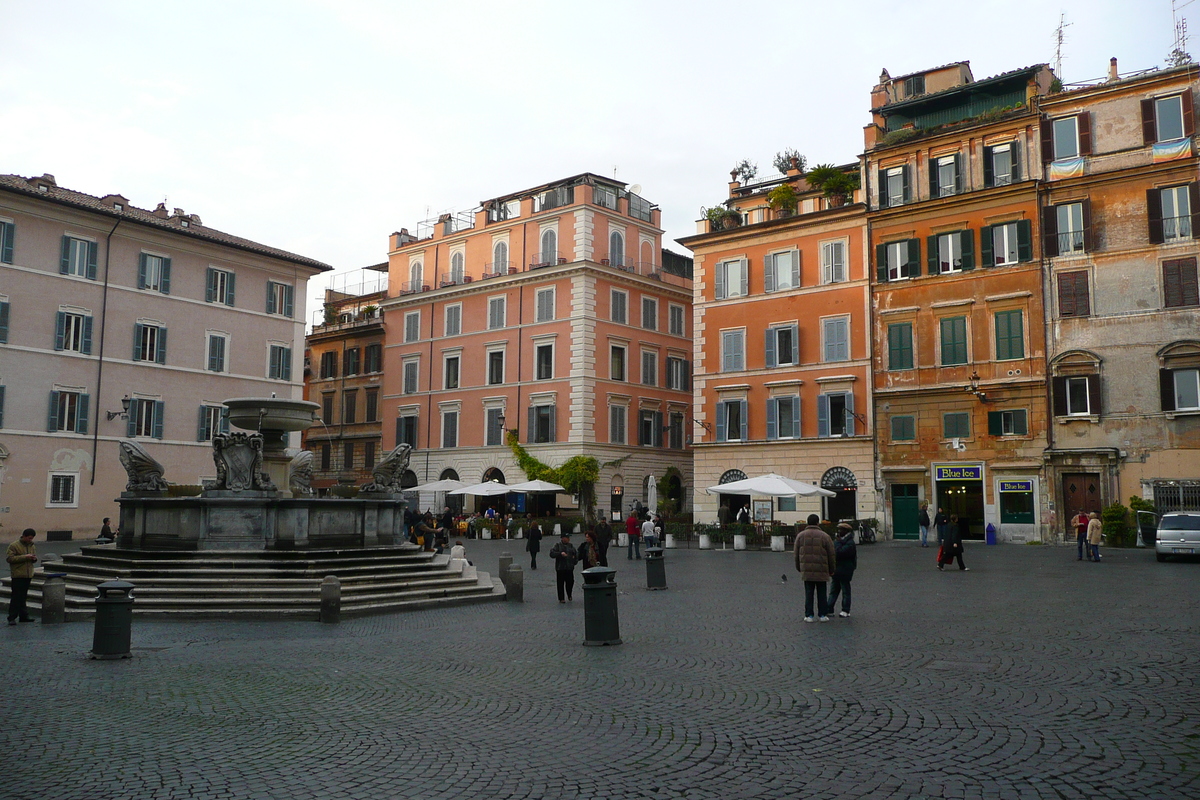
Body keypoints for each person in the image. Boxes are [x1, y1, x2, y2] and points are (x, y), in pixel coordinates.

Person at [794, 514, 836, 623]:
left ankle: (809, 615)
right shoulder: (825, 536)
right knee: (822, 593)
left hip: (806, 570)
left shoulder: (800, 536)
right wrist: (832, 569)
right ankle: (822, 614)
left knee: (809, 593)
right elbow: (831, 555)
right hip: (822, 569)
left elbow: (796, 554)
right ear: (818, 523)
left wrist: (799, 568)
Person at [7, 528, 38, 625]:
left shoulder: (32, 545)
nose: (30, 540)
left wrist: (33, 559)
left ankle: (23, 616)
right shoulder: (14, 545)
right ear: (23, 536)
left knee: (23, 596)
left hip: (28, 574)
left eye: (31, 538)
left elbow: (33, 557)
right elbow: (10, 559)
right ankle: (12, 617)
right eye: (28, 538)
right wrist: (25, 557)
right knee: (16, 596)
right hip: (18, 574)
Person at [827, 522, 858, 617]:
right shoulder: (842, 541)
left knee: (845, 591)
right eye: (839, 530)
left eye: (841, 530)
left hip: (845, 570)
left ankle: (845, 610)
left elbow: (839, 553)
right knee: (834, 590)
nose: (839, 532)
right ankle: (829, 609)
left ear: (846, 531)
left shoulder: (850, 543)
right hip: (837, 570)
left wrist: (837, 542)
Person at [548, 533, 578, 602]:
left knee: (570, 582)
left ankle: (569, 594)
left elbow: (576, 555)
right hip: (560, 568)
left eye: (567, 538)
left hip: (569, 568)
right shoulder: (557, 546)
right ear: (562, 538)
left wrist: (574, 561)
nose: (566, 539)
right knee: (560, 583)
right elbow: (552, 554)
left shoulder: (571, 546)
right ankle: (561, 598)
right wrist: (560, 554)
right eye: (565, 538)